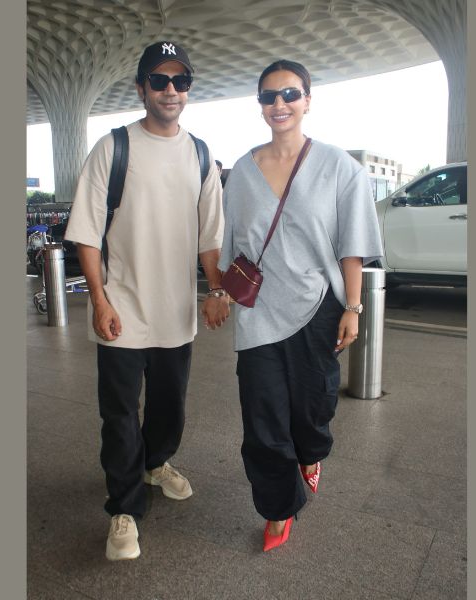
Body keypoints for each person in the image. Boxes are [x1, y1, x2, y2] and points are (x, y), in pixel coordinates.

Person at [64, 40, 230, 561]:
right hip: (122, 308)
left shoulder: (200, 155)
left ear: (188, 90)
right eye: (159, 80)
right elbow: (87, 234)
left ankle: (156, 463)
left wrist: (216, 289)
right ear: (141, 88)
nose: (170, 90)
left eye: (180, 81)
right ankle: (124, 509)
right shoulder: (113, 148)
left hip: (175, 312)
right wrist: (99, 299)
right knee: (119, 416)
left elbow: (210, 237)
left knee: (168, 407)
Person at [218, 59, 383, 551]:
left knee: (313, 409)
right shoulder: (242, 172)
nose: (280, 103)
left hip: (318, 308)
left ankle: (310, 452)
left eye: (290, 94)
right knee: (262, 417)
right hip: (258, 314)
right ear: (260, 106)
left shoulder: (339, 167)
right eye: (269, 96)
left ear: (308, 100)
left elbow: (352, 246)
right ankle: (278, 508)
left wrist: (353, 307)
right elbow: (231, 244)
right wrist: (220, 292)